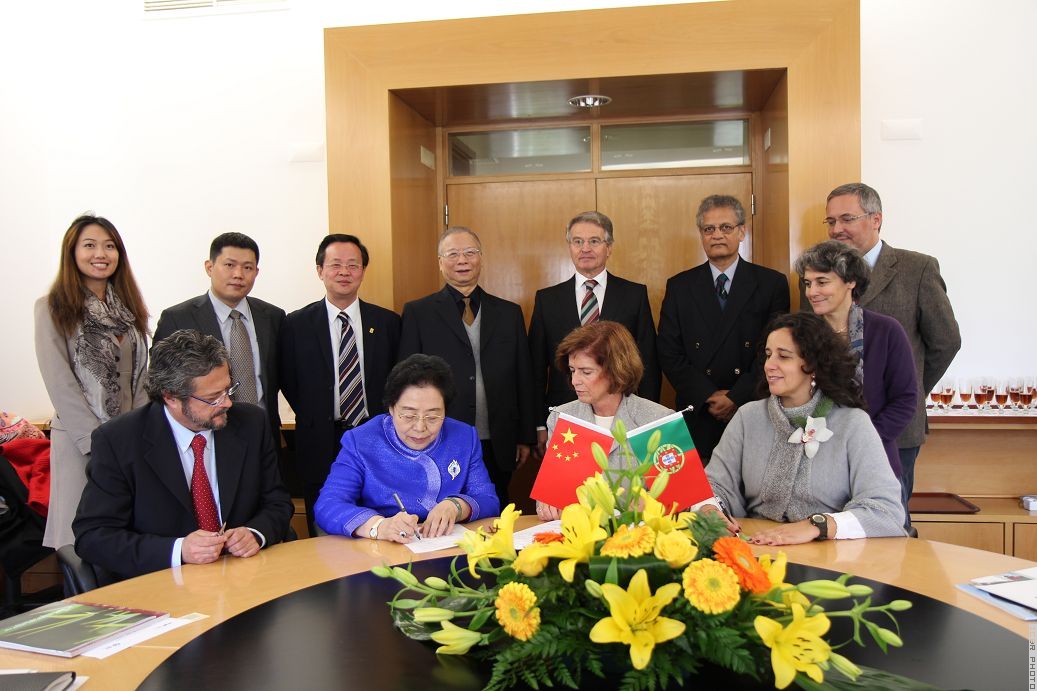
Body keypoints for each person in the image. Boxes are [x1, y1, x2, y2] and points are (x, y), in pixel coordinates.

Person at [73, 330, 294, 579]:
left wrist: (255, 533)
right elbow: (93, 536)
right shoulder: (119, 440)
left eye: (228, 390)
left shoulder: (251, 423)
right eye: (213, 398)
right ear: (171, 397)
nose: (227, 403)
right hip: (163, 584)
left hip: (243, 577)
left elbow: (277, 502)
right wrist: (179, 550)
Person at [698, 312, 906, 544]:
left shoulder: (853, 424)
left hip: (832, 556)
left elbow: (886, 510)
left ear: (813, 364)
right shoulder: (748, 417)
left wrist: (818, 525)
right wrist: (709, 509)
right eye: (768, 355)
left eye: (783, 356)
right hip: (755, 548)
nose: (769, 365)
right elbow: (713, 485)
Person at [822, 182, 960, 518]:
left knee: (889, 523)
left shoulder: (918, 269)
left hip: (894, 428)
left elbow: (945, 342)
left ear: (876, 219)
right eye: (831, 221)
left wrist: (907, 390)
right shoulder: (819, 274)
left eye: (847, 219)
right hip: (830, 429)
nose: (837, 229)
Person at [34, 214, 150, 549]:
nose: (101, 254)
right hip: (80, 440)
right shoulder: (52, 307)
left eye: (109, 246)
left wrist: (138, 431)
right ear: (72, 252)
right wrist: (96, 441)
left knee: (126, 536)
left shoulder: (128, 308)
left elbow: (141, 378)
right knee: (80, 541)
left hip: (127, 439)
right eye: (90, 245)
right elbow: (60, 383)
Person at [398, 227, 536, 509]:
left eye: (469, 253)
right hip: (440, 435)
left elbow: (524, 376)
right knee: (443, 509)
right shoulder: (418, 313)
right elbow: (407, 382)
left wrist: (525, 435)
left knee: (496, 507)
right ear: (440, 262)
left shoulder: (508, 313)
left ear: (481, 258)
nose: (462, 260)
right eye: (453, 254)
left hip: (499, 438)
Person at [279, 234, 401, 534]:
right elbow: (288, 379)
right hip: (319, 438)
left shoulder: (388, 323)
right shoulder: (295, 324)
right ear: (320, 270)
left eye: (353, 265)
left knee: (378, 517)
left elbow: (398, 380)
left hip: (376, 436)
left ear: (363, 271)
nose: (344, 272)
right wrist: (316, 414)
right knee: (324, 521)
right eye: (335, 265)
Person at [657, 195, 790, 462]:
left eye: (726, 227)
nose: (717, 235)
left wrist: (736, 396)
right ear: (701, 235)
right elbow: (668, 352)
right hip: (698, 410)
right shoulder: (680, 286)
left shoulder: (771, 283)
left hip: (752, 406)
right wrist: (707, 395)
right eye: (709, 229)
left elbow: (776, 351)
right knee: (699, 487)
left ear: (742, 231)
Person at [315, 354, 500, 541]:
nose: (420, 427)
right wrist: (378, 526)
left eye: (432, 417)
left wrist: (457, 506)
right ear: (391, 408)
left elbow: (488, 499)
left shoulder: (464, 437)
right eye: (409, 416)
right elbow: (328, 504)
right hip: (382, 548)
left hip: (446, 545)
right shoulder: (361, 441)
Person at [528, 211, 660, 458]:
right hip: (565, 419)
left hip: (623, 415)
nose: (585, 248)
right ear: (570, 247)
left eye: (594, 241)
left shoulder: (634, 295)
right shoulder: (547, 299)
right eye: (577, 241)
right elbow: (535, 369)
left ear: (609, 247)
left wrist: (648, 420)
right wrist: (538, 423)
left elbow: (648, 364)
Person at [795, 240, 918, 485]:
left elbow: (905, 400)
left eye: (822, 282)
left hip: (874, 459)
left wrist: (862, 439)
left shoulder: (886, 330)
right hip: (812, 464)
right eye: (808, 283)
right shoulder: (798, 333)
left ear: (850, 281)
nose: (811, 292)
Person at [153, 232, 285, 440]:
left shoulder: (272, 317)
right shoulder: (177, 318)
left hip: (262, 432)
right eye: (229, 265)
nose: (238, 274)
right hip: (204, 433)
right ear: (209, 267)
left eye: (247, 267)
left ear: (256, 272)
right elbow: (161, 383)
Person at [535, 321, 672, 521]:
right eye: (572, 370)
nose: (574, 381)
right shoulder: (561, 417)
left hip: (639, 534)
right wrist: (547, 502)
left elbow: (682, 496)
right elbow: (549, 494)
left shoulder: (658, 419)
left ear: (616, 370)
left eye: (586, 372)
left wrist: (652, 504)